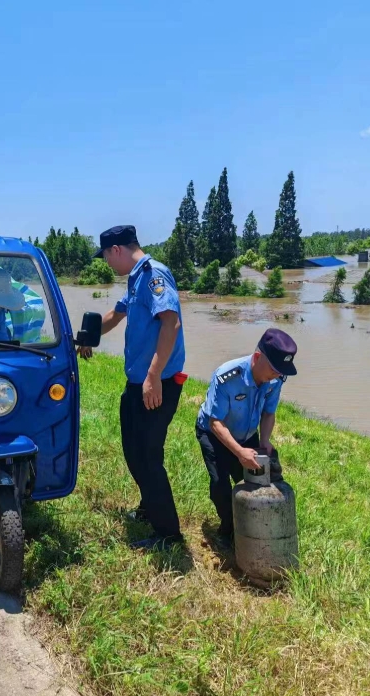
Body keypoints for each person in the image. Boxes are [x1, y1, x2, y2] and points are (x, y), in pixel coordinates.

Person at [79, 225, 187, 552]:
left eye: (107, 258)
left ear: (117, 250)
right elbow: (116, 314)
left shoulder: (154, 275)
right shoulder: (135, 278)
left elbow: (171, 323)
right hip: (138, 384)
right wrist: (87, 337)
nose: (108, 264)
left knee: (148, 457)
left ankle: (168, 534)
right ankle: (150, 506)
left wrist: (153, 376)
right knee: (133, 450)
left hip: (157, 383)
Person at [195, 328, 298, 547]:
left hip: (248, 433)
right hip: (214, 434)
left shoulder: (276, 379)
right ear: (258, 357)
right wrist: (240, 452)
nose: (277, 375)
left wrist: (265, 441)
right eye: (274, 369)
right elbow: (215, 422)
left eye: (281, 371)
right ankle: (227, 531)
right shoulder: (227, 376)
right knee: (220, 484)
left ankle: (255, 527)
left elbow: (268, 412)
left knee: (256, 481)